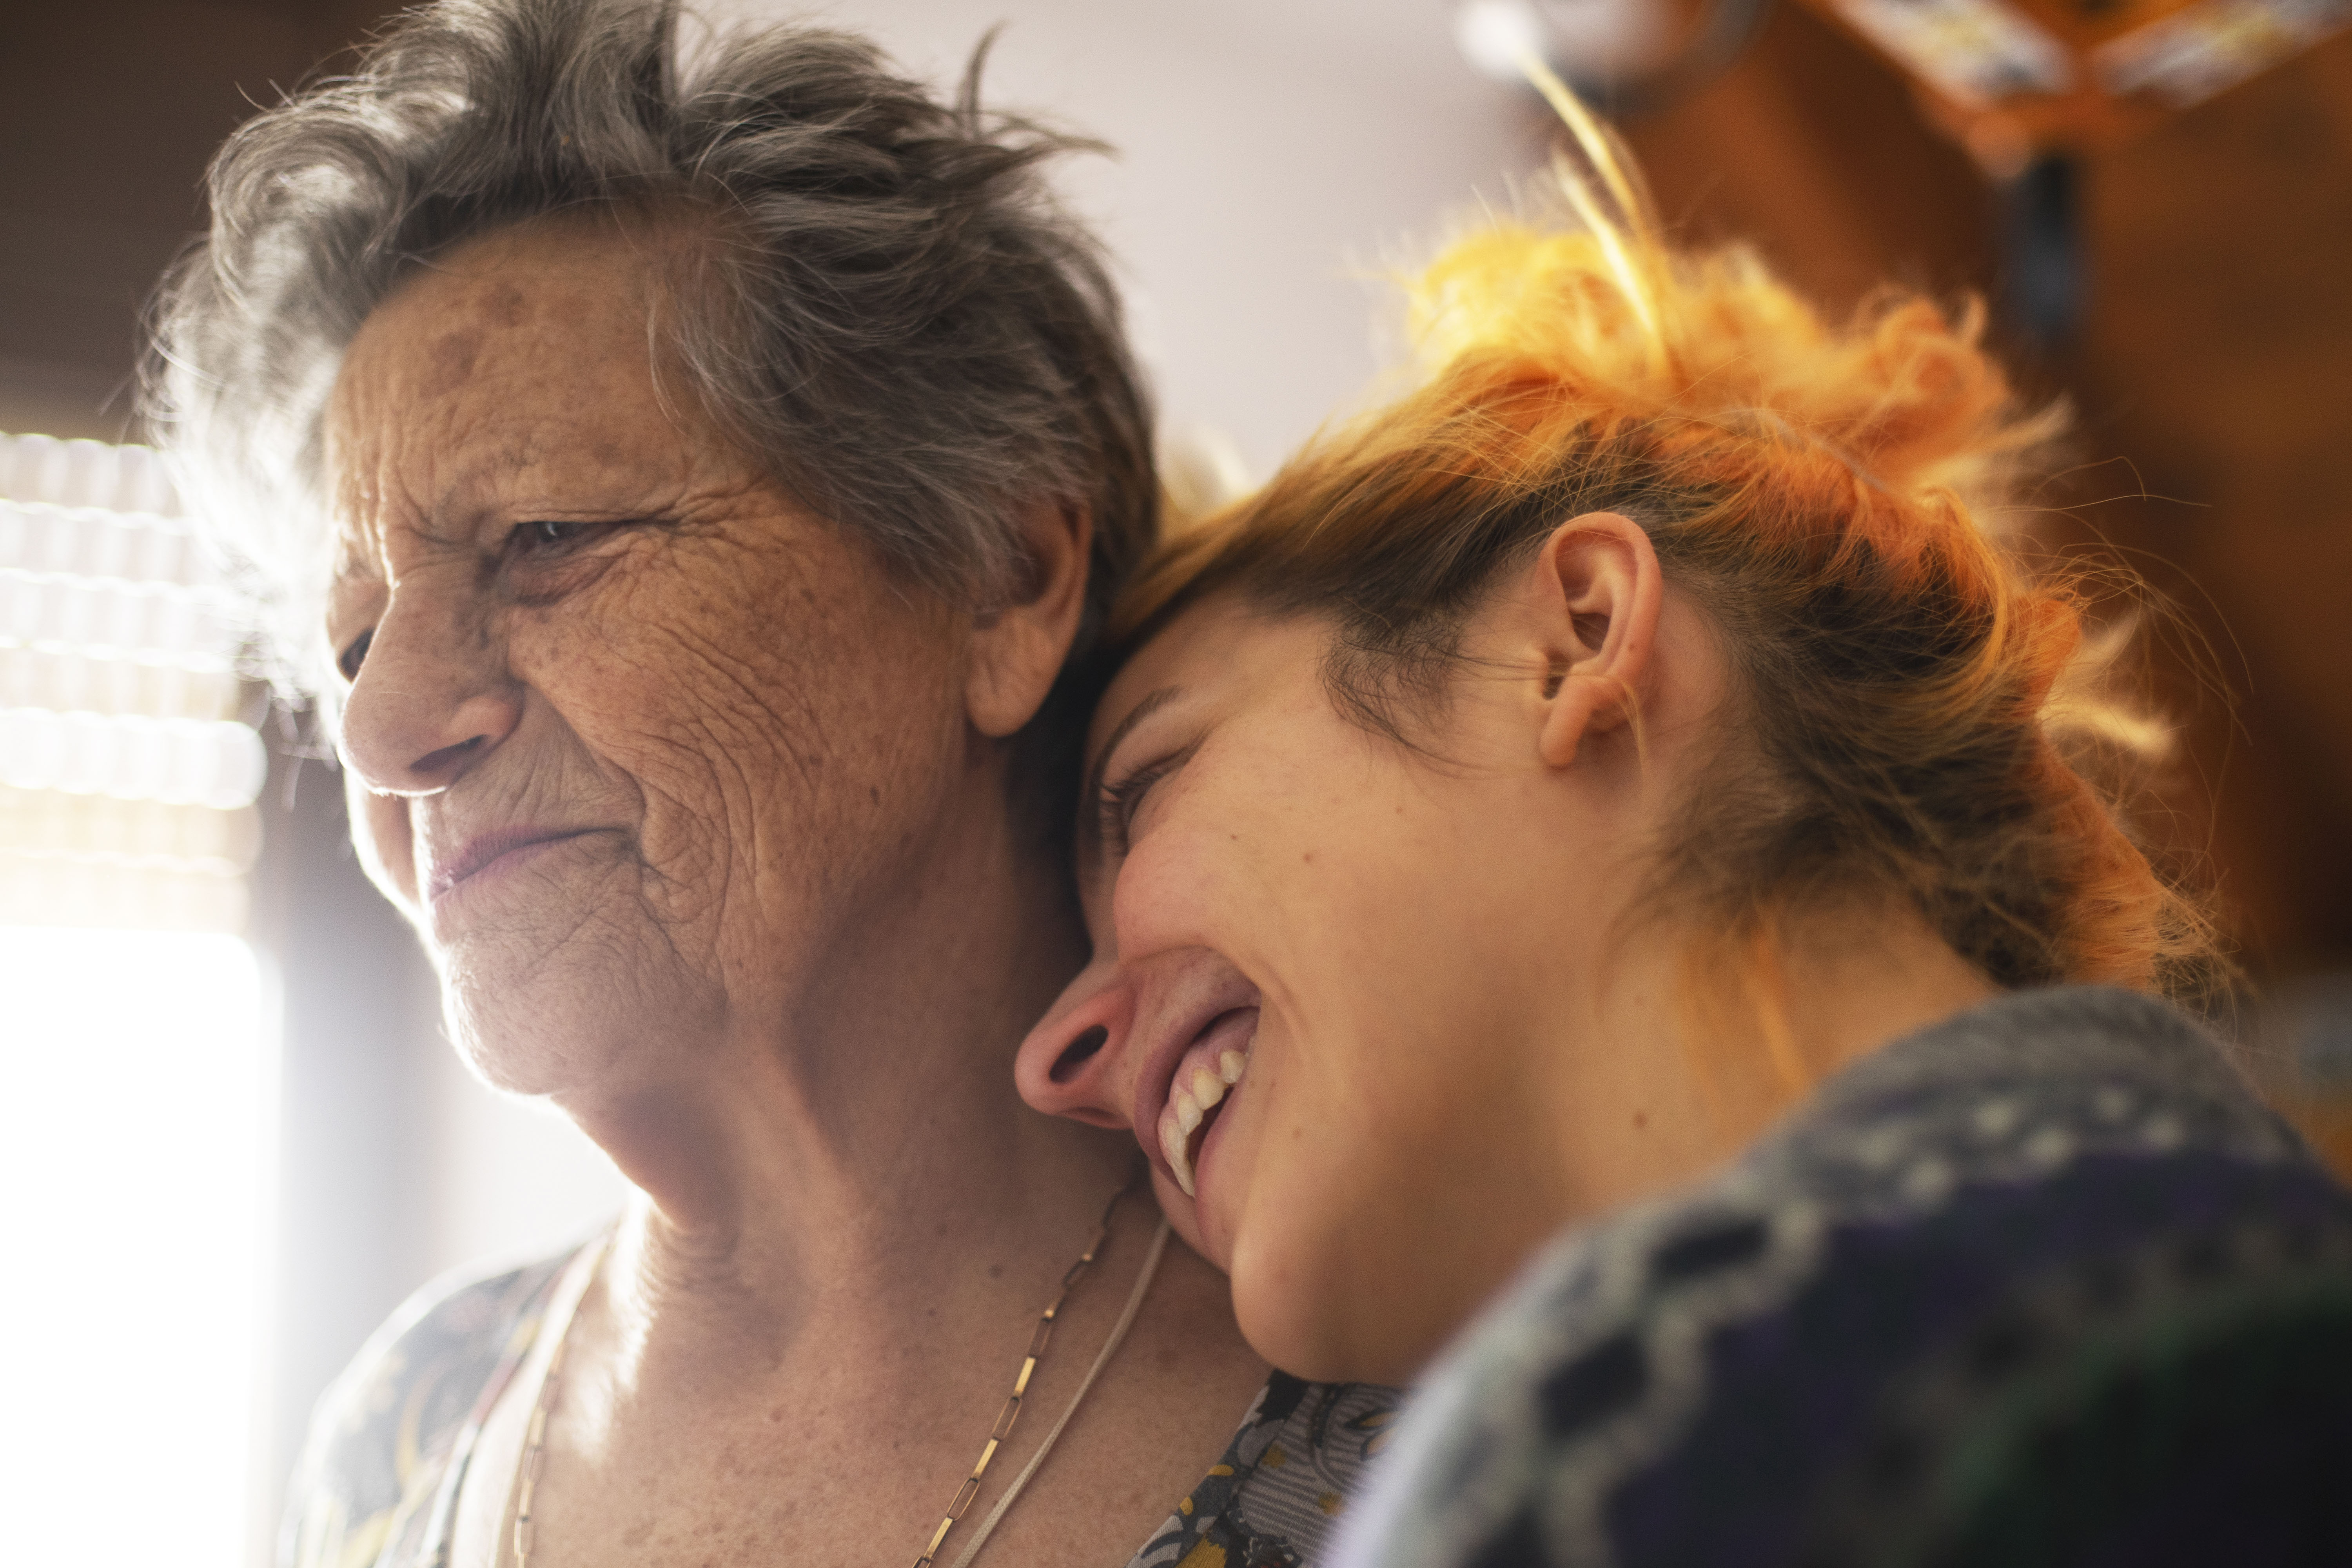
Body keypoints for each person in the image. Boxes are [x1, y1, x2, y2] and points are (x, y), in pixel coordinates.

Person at [1012, 87, 2352, 1567]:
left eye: (1142, 791)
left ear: (1573, 637)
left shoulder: (1636, 1461)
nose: (1052, 1057)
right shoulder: (2210, 1268)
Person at [149, 2, 1397, 1565]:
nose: (388, 728)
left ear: (1005, 576)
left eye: (546, 538)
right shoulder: (400, 1428)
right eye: (350, 645)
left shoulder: (1425, 1426)